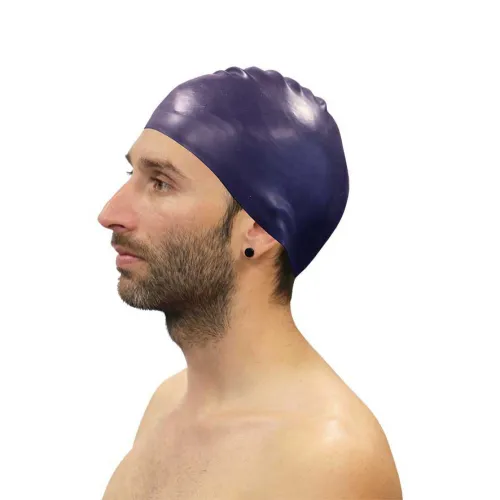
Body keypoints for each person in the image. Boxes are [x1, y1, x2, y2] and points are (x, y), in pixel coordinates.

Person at [97, 66, 402, 499]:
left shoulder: (325, 458)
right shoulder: (167, 404)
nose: (110, 214)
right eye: (133, 176)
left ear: (258, 230)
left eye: (161, 183)